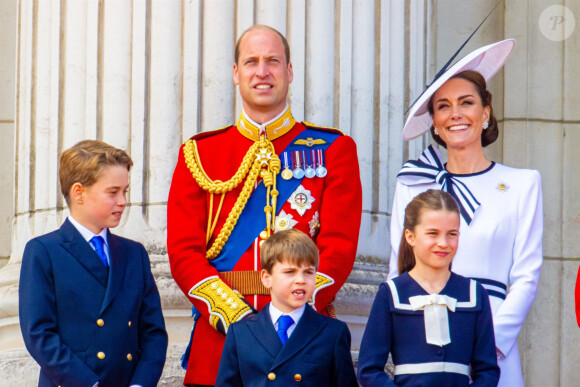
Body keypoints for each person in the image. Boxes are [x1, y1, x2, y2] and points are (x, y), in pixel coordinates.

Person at [167, 25, 362, 386]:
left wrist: (293, 307)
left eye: (273, 61)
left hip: (303, 336)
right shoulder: (199, 153)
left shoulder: (334, 150)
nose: (262, 71)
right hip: (222, 337)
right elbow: (183, 252)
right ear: (236, 74)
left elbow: (339, 247)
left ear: (289, 72)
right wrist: (239, 318)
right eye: (251, 62)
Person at [388, 39, 542, 387]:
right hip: (425, 341)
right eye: (443, 106)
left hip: (494, 343)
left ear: (485, 112)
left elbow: (526, 279)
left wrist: (488, 346)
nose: (455, 113)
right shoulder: (412, 183)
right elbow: (396, 272)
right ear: (434, 122)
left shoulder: (522, 184)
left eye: (466, 103)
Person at [19, 140, 168, 387]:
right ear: (79, 192)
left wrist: (140, 384)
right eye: (113, 192)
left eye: (125, 191)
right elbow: (39, 335)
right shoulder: (44, 251)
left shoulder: (134, 254)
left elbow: (153, 332)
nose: (122, 201)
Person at [358, 189, 499, 386]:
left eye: (452, 234)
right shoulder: (391, 293)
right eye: (432, 233)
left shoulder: (475, 294)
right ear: (410, 236)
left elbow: (488, 370)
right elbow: (369, 370)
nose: (443, 243)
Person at [215, 229, 358, 386]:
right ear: (266, 278)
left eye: (309, 272)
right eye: (290, 272)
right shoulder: (240, 332)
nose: (301, 280)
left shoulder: (333, 332)